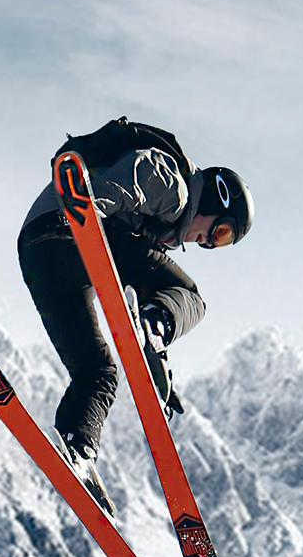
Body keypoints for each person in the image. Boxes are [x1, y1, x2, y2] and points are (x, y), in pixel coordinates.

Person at [17, 131, 254, 517]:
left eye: (220, 243)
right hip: (72, 227)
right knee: (189, 295)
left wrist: (158, 372)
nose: (208, 243)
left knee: (97, 372)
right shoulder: (175, 186)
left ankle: (77, 448)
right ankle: (156, 326)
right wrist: (85, 212)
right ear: (216, 197)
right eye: (221, 231)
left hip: (39, 254)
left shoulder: (161, 224)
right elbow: (132, 177)